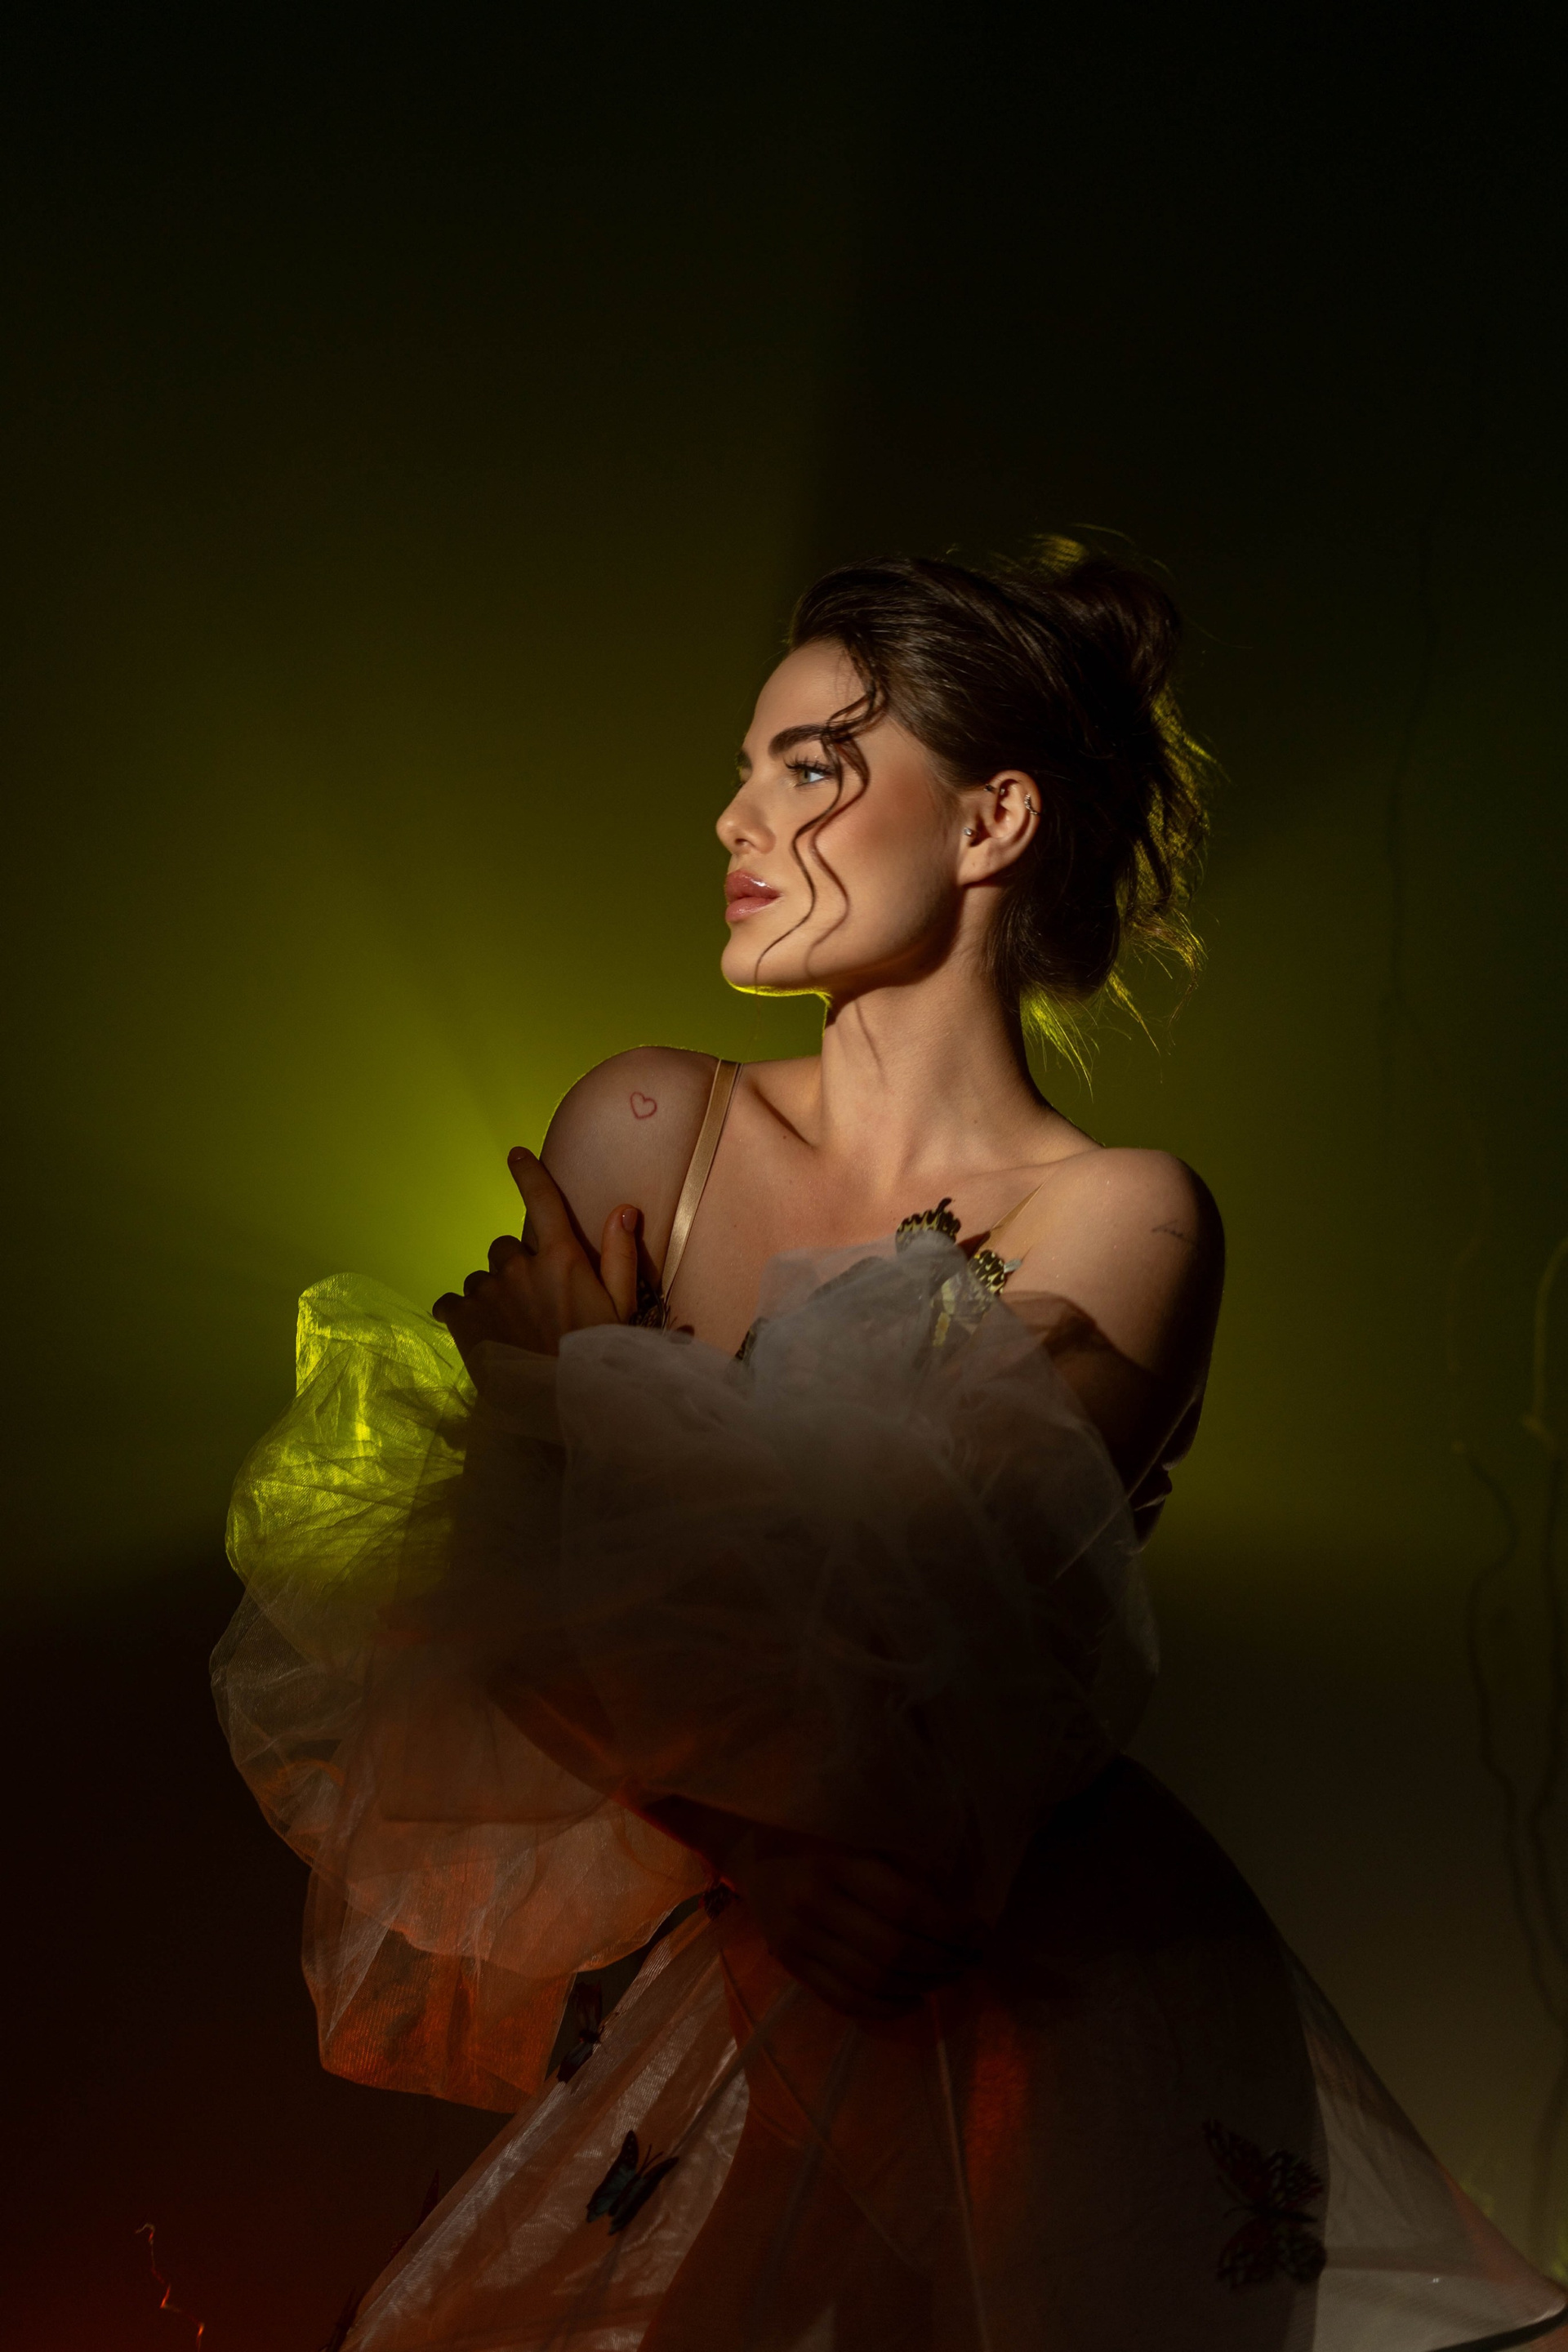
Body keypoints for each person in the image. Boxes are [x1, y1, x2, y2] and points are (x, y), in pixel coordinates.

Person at [215, 547, 1566, 2350]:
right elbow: (484, 1628)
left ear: (994, 819)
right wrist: (750, 1851)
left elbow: (913, 1672)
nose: (735, 817)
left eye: (810, 766)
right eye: (746, 767)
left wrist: (582, 1392)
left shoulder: (1131, 1217)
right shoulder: (653, 1124)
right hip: (748, 1966)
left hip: (1043, 1995)